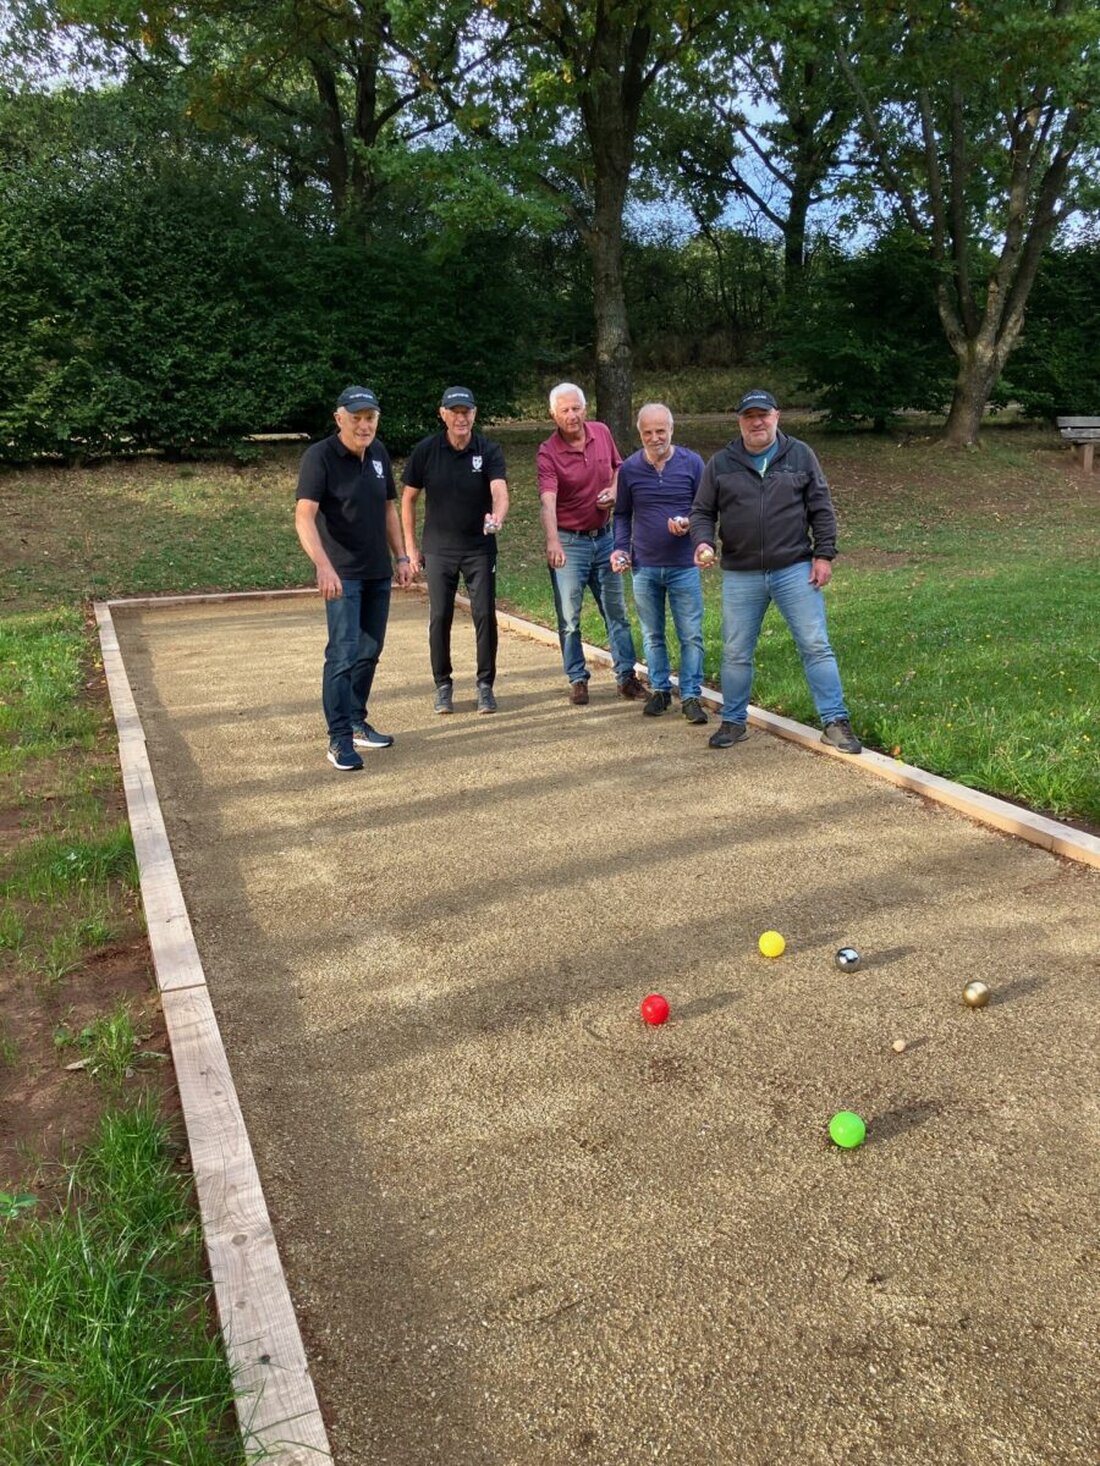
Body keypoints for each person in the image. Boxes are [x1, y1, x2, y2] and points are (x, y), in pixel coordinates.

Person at [690, 388, 862, 753]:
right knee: (736, 651)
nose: (757, 422)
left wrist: (824, 555)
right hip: (741, 572)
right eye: (749, 416)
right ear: (740, 422)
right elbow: (702, 512)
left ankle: (835, 721)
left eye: (763, 415)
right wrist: (704, 542)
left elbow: (821, 508)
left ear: (776, 417)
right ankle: (734, 721)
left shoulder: (800, 455)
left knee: (816, 645)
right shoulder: (721, 462)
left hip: (794, 568)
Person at [295, 385, 413, 772]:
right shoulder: (320, 458)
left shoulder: (378, 454)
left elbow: (388, 509)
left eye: (370, 418)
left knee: (369, 650)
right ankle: (339, 738)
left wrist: (401, 557)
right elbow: (304, 517)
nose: (364, 426)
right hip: (342, 575)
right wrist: (323, 565)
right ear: (339, 418)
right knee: (342, 654)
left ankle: (358, 721)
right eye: (357, 418)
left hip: (377, 570)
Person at [401, 387, 509, 715]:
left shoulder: (488, 449)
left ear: (474, 414)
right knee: (439, 617)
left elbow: (499, 491)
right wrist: (410, 547)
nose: (461, 418)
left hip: (479, 548)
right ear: (443, 414)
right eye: (455, 412)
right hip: (439, 550)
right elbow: (408, 499)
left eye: (467, 412)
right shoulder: (426, 450)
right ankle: (443, 686)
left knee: (483, 615)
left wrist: (497, 517)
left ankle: (485, 686)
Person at [537, 383, 645, 705]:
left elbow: (619, 468)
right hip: (571, 542)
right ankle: (577, 678)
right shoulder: (548, 452)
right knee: (570, 617)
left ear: (585, 409)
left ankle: (626, 677)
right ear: (553, 415)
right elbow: (547, 500)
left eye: (576, 408)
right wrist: (553, 541)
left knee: (616, 611)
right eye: (565, 411)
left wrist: (614, 490)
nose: (572, 416)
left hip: (606, 536)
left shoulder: (602, 432)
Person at [611, 404, 709, 726]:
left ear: (672, 429)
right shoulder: (629, 469)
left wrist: (687, 523)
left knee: (690, 634)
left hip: (684, 564)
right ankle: (661, 690)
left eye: (661, 431)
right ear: (640, 434)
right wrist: (619, 549)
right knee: (652, 634)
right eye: (648, 432)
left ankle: (692, 695)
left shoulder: (692, 463)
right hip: (645, 566)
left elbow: (706, 510)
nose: (655, 438)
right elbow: (622, 514)